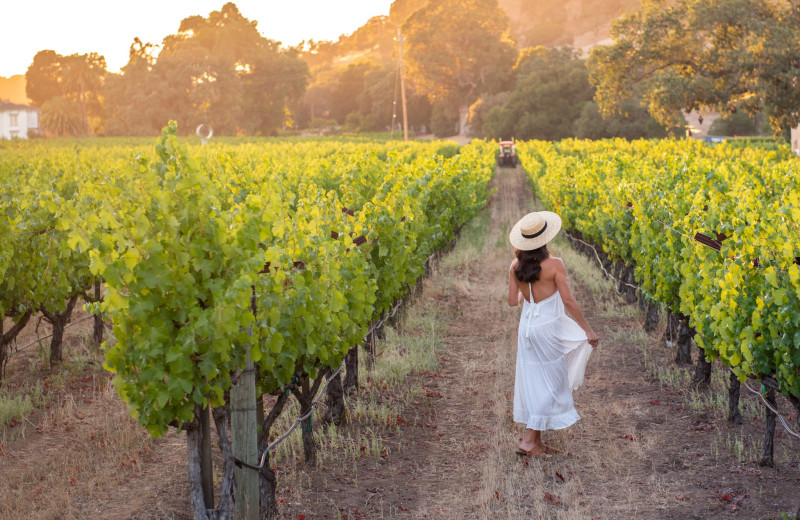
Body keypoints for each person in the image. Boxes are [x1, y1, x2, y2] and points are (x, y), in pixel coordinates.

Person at [507, 211, 599, 458]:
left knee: (535, 382)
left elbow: (512, 302)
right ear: (545, 238)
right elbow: (567, 300)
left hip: (526, 329)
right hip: (547, 328)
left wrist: (525, 293)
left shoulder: (515, 266)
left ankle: (535, 443)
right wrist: (586, 329)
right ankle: (528, 440)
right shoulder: (555, 264)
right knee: (553, 383)